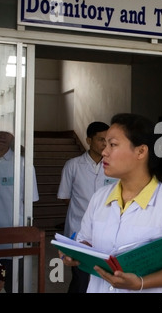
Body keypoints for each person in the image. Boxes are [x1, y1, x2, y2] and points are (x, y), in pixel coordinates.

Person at [59, 113, 162, 293]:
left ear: (141, 151)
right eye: (105, 144)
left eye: (113, 145)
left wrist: (140, 283)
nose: (104, 152)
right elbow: (86, 241)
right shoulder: (99, 198)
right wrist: (74, 252)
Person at [57, 121, 118, 293]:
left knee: (103, 279)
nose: (105, 145)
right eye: (100, 140)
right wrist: (88, 213)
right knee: (81, 278)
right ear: (88, 140)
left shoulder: (113, 167)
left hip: (107, 232)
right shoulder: (73, 165)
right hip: (78, 230)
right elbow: (64, 197)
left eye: (108, 140)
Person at [0, 131, 39, 293]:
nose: (1, 136)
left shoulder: (23, 165)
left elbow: (30, 202)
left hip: (13, 238)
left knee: (16, 287)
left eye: (5, 134)